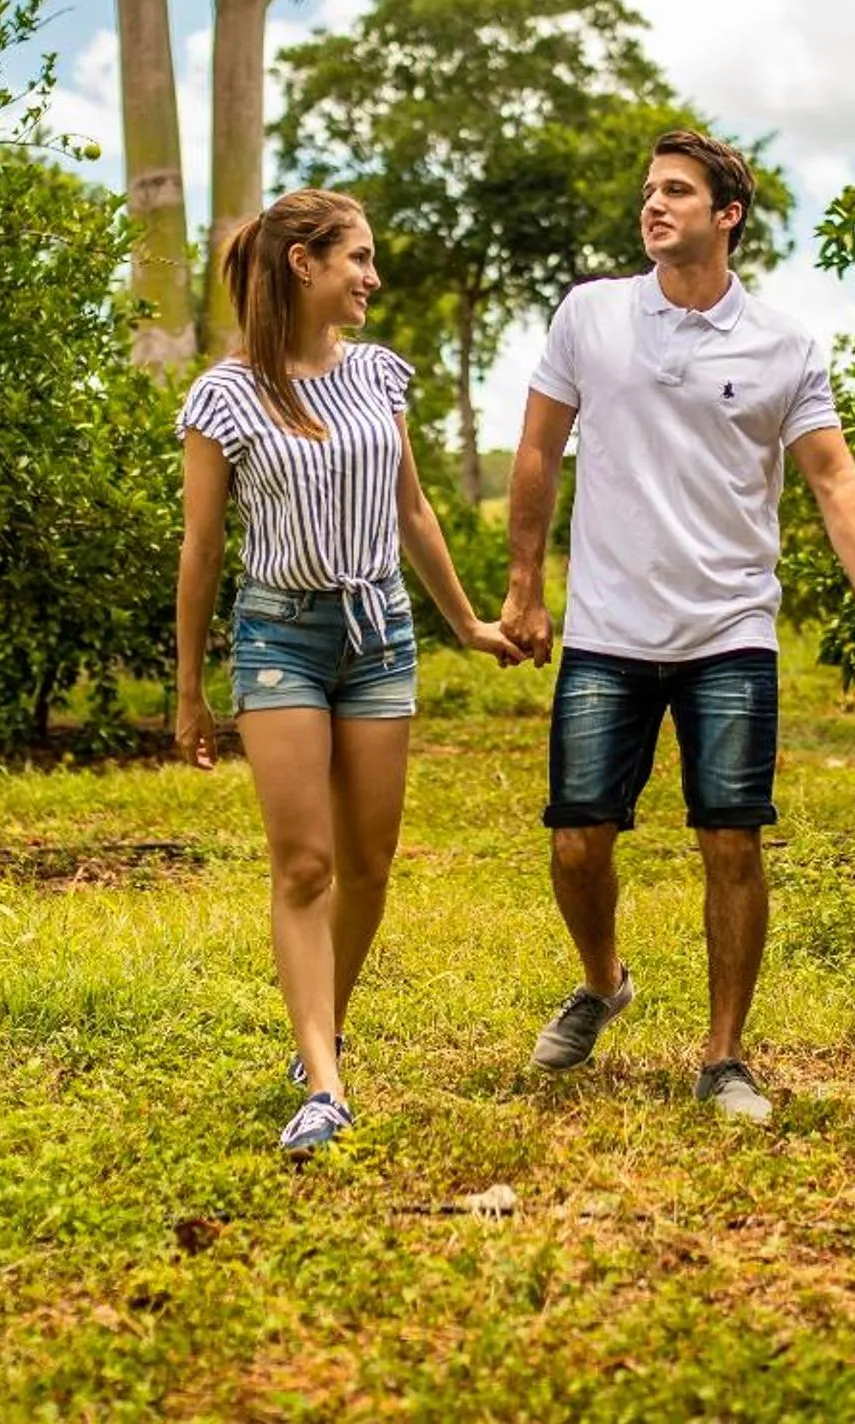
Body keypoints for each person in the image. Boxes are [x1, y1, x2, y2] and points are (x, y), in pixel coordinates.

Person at [499, 130, 855, 1123]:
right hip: (609, 626)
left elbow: (833, 475)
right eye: (650, 192)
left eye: (678, 193)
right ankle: (603, 980)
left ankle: (724, 1056)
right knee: (577, 841)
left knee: (731, 839)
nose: (655, 207)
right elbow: (536, 449)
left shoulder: (782, 345)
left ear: (726, 215)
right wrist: (525, 587)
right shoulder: (591, 317)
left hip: (730, 626)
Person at [175, 189, 522, 1156]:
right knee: (306, 864)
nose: (372, 278)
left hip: (381, 637)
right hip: (280, 636)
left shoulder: (377, 376)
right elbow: (202, 551)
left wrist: (469, 624)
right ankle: (324, 1086)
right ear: (305, 264)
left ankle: (317, 1030)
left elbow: (413, 511)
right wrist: (189, 690)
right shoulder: (226, 394)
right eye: (359, 259)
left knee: (368, 867)